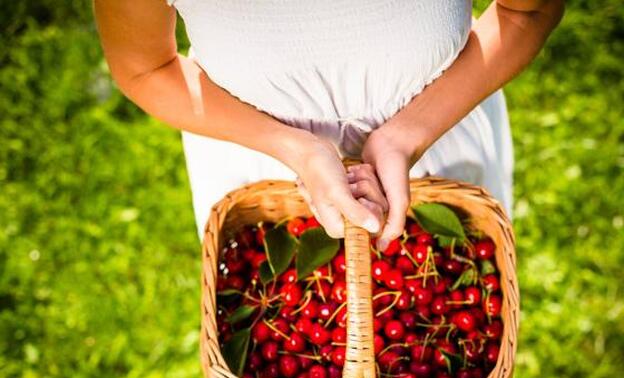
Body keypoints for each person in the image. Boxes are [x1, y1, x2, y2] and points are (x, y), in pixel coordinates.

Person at [94, 0, 564, 248]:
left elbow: (529, 11)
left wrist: (408, 133)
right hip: (258, 153)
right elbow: (145, 67)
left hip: (441, 122)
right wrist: (294, 147)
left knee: (453, 266)